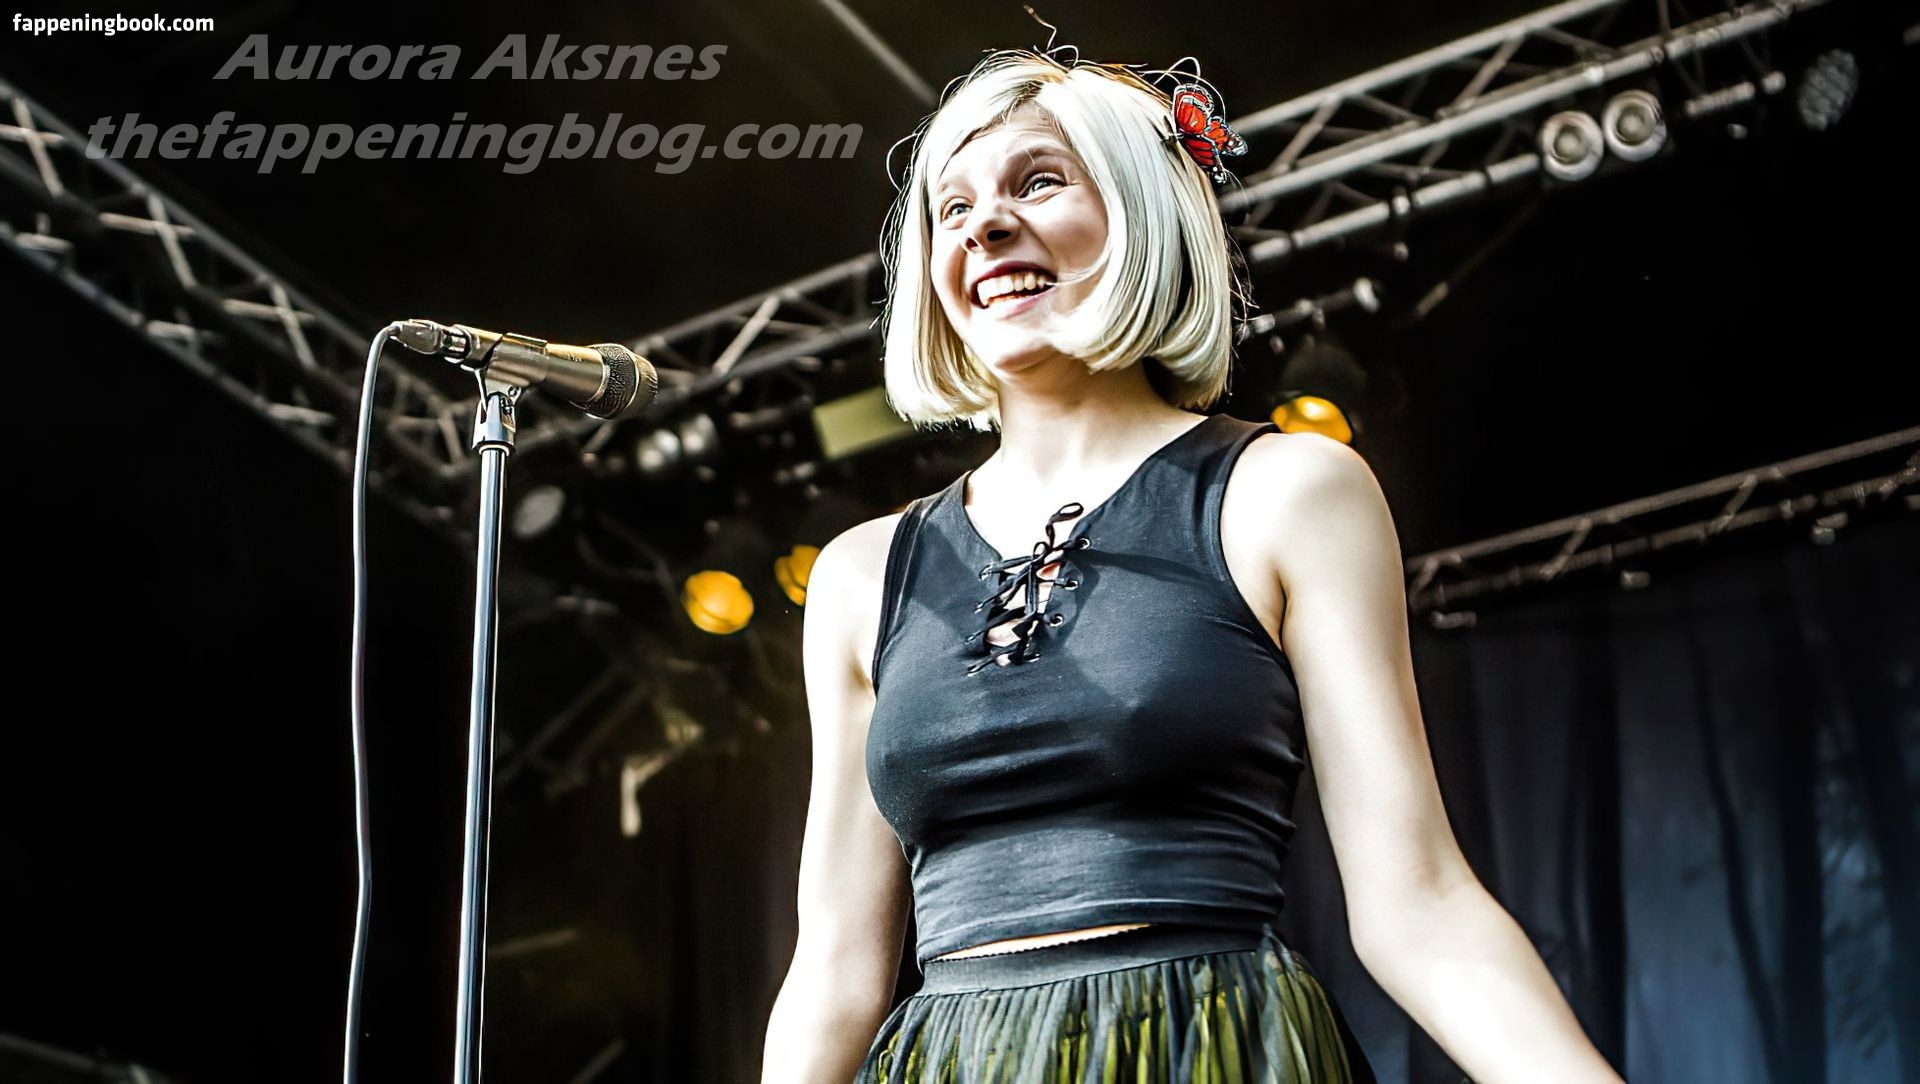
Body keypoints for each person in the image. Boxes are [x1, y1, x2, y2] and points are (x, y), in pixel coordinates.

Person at [761, 48, 1623, 1083]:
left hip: (1209, 1044)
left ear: (1142, 214)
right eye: (953, 207)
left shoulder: (1288, 492)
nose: (984, 225)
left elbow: (1419, 905)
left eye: (1039, 181)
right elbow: (835, 969)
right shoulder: (860, 575)